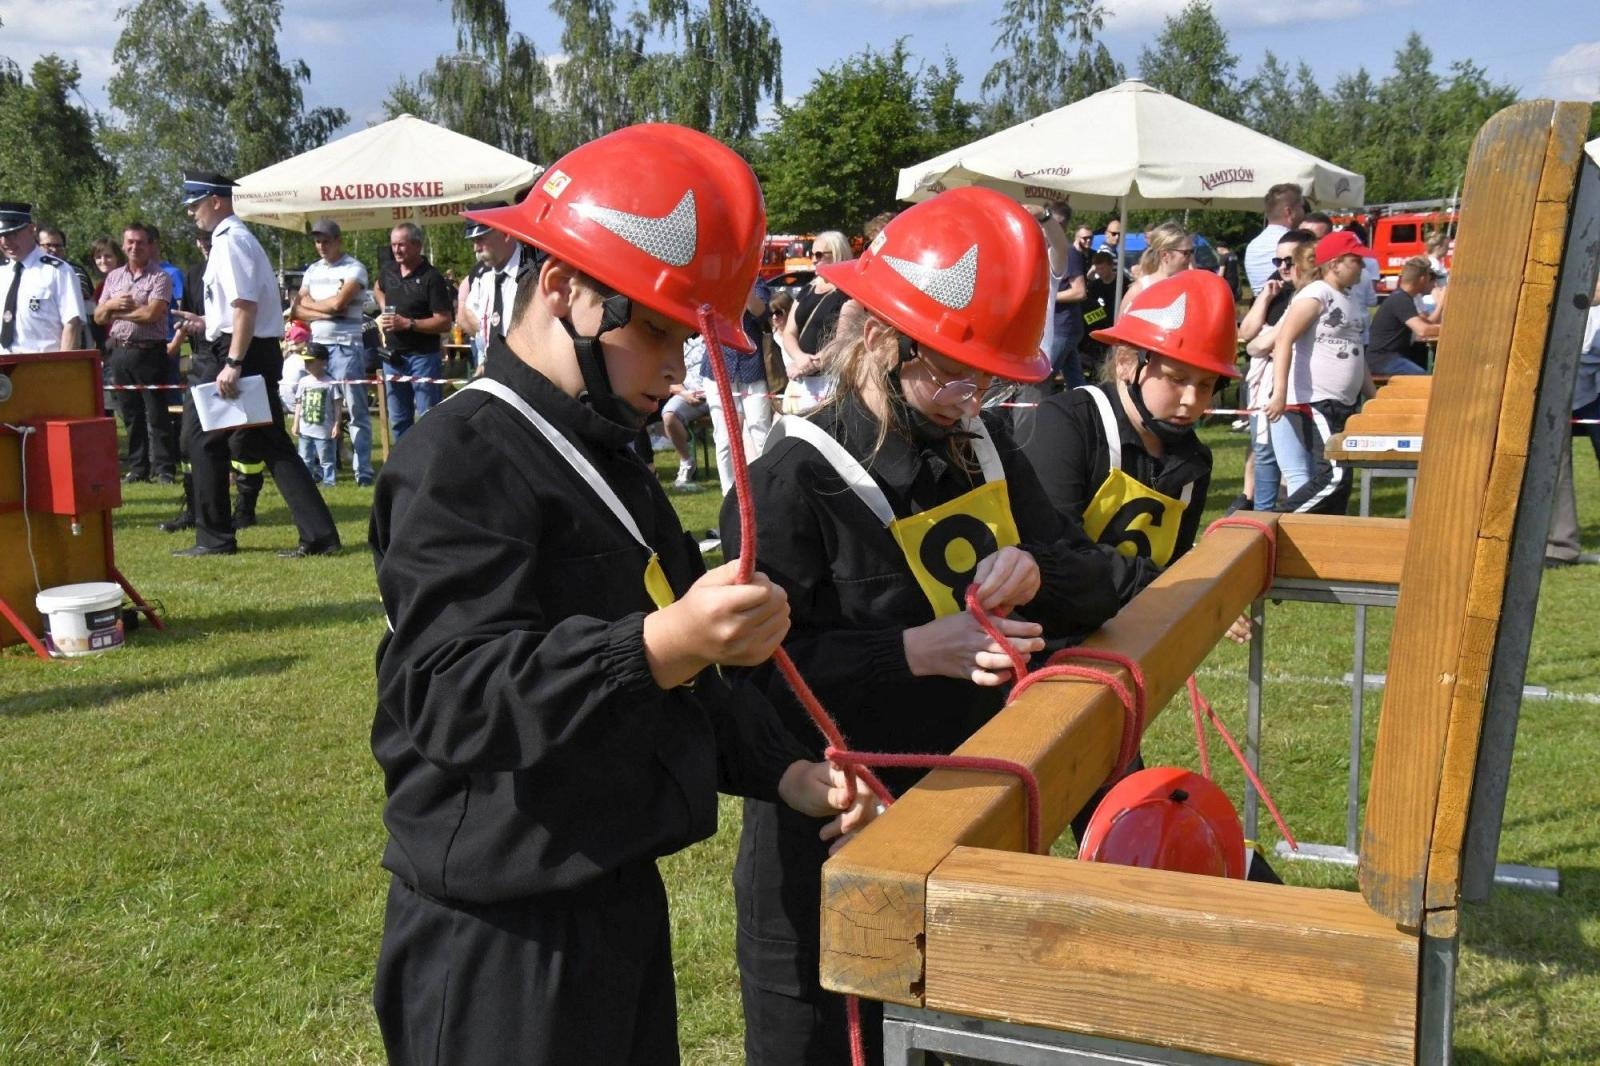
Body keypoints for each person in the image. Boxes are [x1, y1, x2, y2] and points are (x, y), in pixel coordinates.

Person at [368, 123, 873, 1066]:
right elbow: (450, 694)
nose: (677, 369)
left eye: (688, 338)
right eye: (655, 330)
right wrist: (661, 641)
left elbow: (683, 681)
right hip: (499, 936)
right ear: (563, 286)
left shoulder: (607, 454)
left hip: (611, 896)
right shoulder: (460, 456)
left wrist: (783, 771)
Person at [722, 185, 1120, 1066]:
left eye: (986, 376)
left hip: (972, 823)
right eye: (948, 369)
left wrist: (1038, 568)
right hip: (828, 842)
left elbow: (1103, 581)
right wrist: (909, 651)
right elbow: (752, 683)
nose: (967, 395)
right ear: (878, 337)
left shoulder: (984, 446)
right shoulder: (792, 478)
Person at [173, 169, 341, 558]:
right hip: (242, 348)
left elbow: (245, 307)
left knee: (208, 439)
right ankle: (316, 535)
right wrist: (206, 322)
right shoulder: (230, 240)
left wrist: (233, 360)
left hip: (240, 353)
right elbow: (237, 309)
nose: (192, 213)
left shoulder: (230, 242)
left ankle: (216, 537)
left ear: (216, 201)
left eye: (195, 205)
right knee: (263, 443)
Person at [1264, 229, 1378, 516]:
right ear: (1335, 263)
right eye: (1356, 260)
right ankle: (1276, 520)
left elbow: (1357, 354)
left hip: (1344, 402)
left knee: (1342, 478)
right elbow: (1284, 340)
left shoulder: (1351, 299)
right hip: (1316, 398)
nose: (1362, 266)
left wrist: (1375, 399)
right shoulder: (1316, 294)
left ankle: (1327, 532)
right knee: (1334, 475)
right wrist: (1279, 394)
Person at [1236, 229, 1317, 512]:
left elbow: (1260, 345)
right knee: (1264, 452)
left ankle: (1290, 514)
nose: (1282, 267)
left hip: (1295, 383)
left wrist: (1262, 343)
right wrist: (1264, 299)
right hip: (1267, 382)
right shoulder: (1276, 287)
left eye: (1289, 261)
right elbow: (1247, 335)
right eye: (1277, 261)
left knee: (1298, 462)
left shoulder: (1309, 294)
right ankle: (1263, 514)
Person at [292, 218, 374, 485]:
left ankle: (363, 471)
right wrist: (326, 309)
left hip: (346, 346)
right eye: (317, 241)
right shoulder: (312, 270)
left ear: (338, 241)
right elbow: (297, 308)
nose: (321, 246)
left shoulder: (354, 268)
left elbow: (340, 304)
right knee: (315, 410)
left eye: (326, 241)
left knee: (356, 410)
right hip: (318, 346)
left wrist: (315, 305)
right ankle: (320, 469)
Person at [95, 221, 176, 483]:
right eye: (130, 242)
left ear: (150, 246)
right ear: (123, 245)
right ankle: (138, 467)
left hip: (150, 352)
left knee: (156, 414)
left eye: (140, 242)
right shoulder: (114, 278)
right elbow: (98, 316)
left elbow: (152, 314)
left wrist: (116, 312)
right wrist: (110, 304)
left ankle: (164, 468)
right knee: (130, 414)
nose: (134, 247)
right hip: (120, 353)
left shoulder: (160, 277)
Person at [373, 221, 453, 439]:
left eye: (402, 245)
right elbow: (377, 287)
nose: (396, 250)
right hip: (392, 357)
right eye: (393, 245)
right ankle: (403, 459)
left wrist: (409, 324)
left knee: (428, 417)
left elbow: (445, 322)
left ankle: (430, 458)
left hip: (423, 358)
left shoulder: (432, 278)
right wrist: (384, 305)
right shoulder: (389, 270)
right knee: (398, 420)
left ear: (417, 245)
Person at [705, 279, 774, 495]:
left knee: (760, 431)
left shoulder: (756, 281)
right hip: (718, 366)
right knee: (724, 437)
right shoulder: (713, 280)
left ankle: (764, 491)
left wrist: (742, 283)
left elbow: (761, 312)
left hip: (752, 366)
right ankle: (728, 494)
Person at [0, 201, 87, 355]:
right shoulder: (3, 272)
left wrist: (63, 365)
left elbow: (72, 323)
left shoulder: (58, 271)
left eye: (12, 235)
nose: (5, 242)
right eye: (0, 236)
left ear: (31, 230)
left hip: (42, 364)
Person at [779, 230, 851, 413]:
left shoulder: (848, 293)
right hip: (800, 378)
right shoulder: (808, 289)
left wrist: (810, 364)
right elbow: (789, 332)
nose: (813, 260)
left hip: (830, 379)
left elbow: (843, 340)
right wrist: (799, 358)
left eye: (819, 255)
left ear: (837, 254)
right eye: (811, 254)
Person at [463, 208, 528, 354]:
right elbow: (468, 312)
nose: (475, 248)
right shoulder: (483, 277)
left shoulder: (533, 272)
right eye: (473, 241)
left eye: (481, 238)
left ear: (505, 233)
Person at [1365, 258, 1440, 377]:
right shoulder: (1401, 299)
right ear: (1422, 279)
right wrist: (1450, 330)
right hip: (1383, 359)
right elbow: (1422, 330)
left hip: (1389, 357)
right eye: (1428, 277)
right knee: (1422, 378)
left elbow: (1426, 324)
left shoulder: (1402, 297)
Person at [663, 336, 710, 489]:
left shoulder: (719, 340)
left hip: (719, 394)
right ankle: (687, 462)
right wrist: (685, 394)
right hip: (688, 394)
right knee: (669, 415)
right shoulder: (682, 344)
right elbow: (671, 380)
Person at [1243, 183, 1305, 294]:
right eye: (1301, 207)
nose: (1303, 212)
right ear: (1289, 212)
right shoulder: (1294, 243)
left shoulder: (1252, 246)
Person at [291, 347, 341, 487]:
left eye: (310, 361)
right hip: (305, 429)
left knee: (326, 459)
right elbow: (299, 403)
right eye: (305, 361)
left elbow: (337, 405)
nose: (306, 365)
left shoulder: (330, 382)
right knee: (305, 458)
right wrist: (296, 423)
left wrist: (337, 425)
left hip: (324, 430)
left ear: (323, 362)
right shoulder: (303, 381)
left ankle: (329, 482)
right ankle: (307, 482)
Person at [1119, 220, 1194, 313]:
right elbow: (1122, 322)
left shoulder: (1190, 288)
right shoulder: (1140, 290)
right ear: (1165, 255)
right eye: (1186, 253)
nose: (1190, 258)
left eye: (1192, 251)